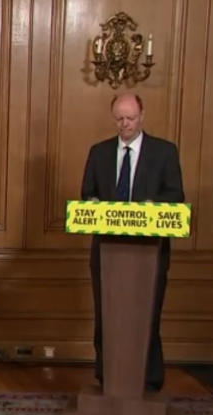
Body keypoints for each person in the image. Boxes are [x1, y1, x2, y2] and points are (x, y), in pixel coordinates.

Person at [80, 93, 185, 392]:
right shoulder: (99, 152)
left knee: (147, 314)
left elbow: (175, 195)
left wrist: (144, 210)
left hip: (148, 255)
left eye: (130, 118)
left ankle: (148, 378)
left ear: (142, 116)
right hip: (107, 253)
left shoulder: (164, 152)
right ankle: (106, 375)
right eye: (119, 119)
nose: (125, 124)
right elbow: (88, 194)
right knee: (107, 314)